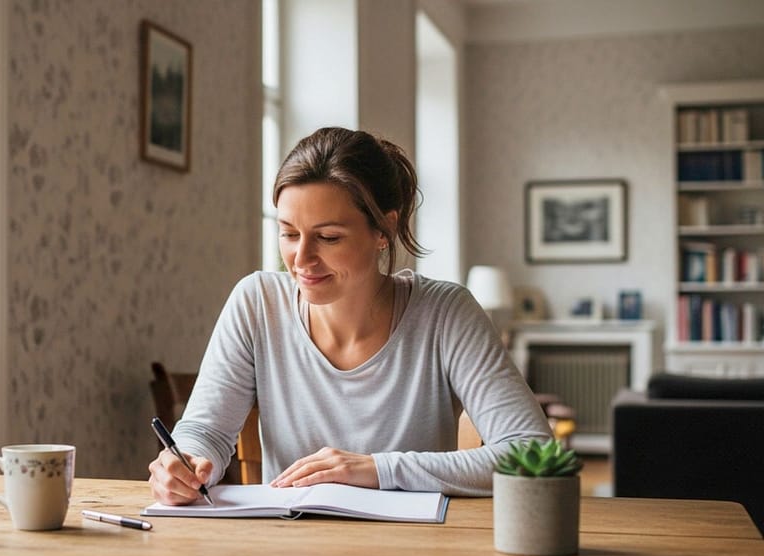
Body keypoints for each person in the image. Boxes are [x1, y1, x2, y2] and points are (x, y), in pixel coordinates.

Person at [148, 127, 552, 505]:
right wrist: (185, 463)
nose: (301, 259)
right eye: (289, 233)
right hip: (289, 550)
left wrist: (376, 469)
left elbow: (534, 453)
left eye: (328, 237)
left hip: (410, 553)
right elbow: (206, 433)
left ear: (383, 230)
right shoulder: (256, 303)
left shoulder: (447, 312)